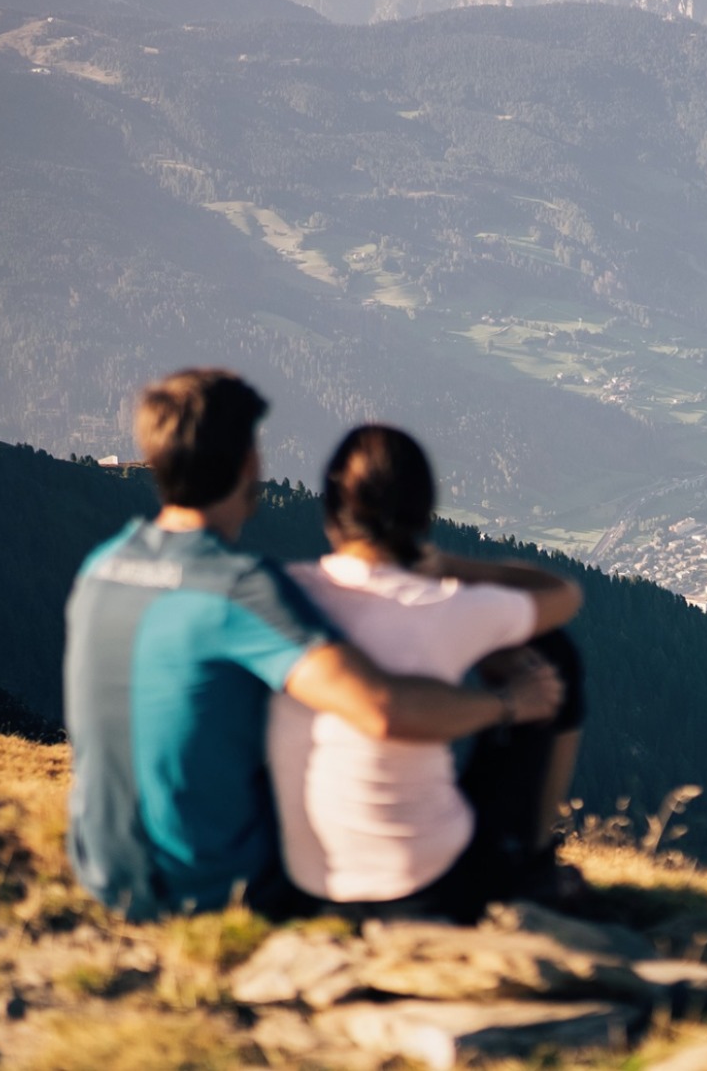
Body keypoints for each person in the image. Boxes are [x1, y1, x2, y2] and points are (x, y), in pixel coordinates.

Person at [63, 368, 566, 921]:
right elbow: (381, 707)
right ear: (247, 462)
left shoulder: (103, 565)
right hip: (206, 887)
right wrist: (510, 704)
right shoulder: (238, 588)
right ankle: (524, 867)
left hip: (104, 871)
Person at [268, 424, 588, 922]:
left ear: (332, 508)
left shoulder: (286, 593)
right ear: (423, 513)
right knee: (550, 651)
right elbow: (563, 595)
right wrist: (449, 566)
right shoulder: (443, 604)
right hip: (430, 886)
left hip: (309, 880)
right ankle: (529, 861)